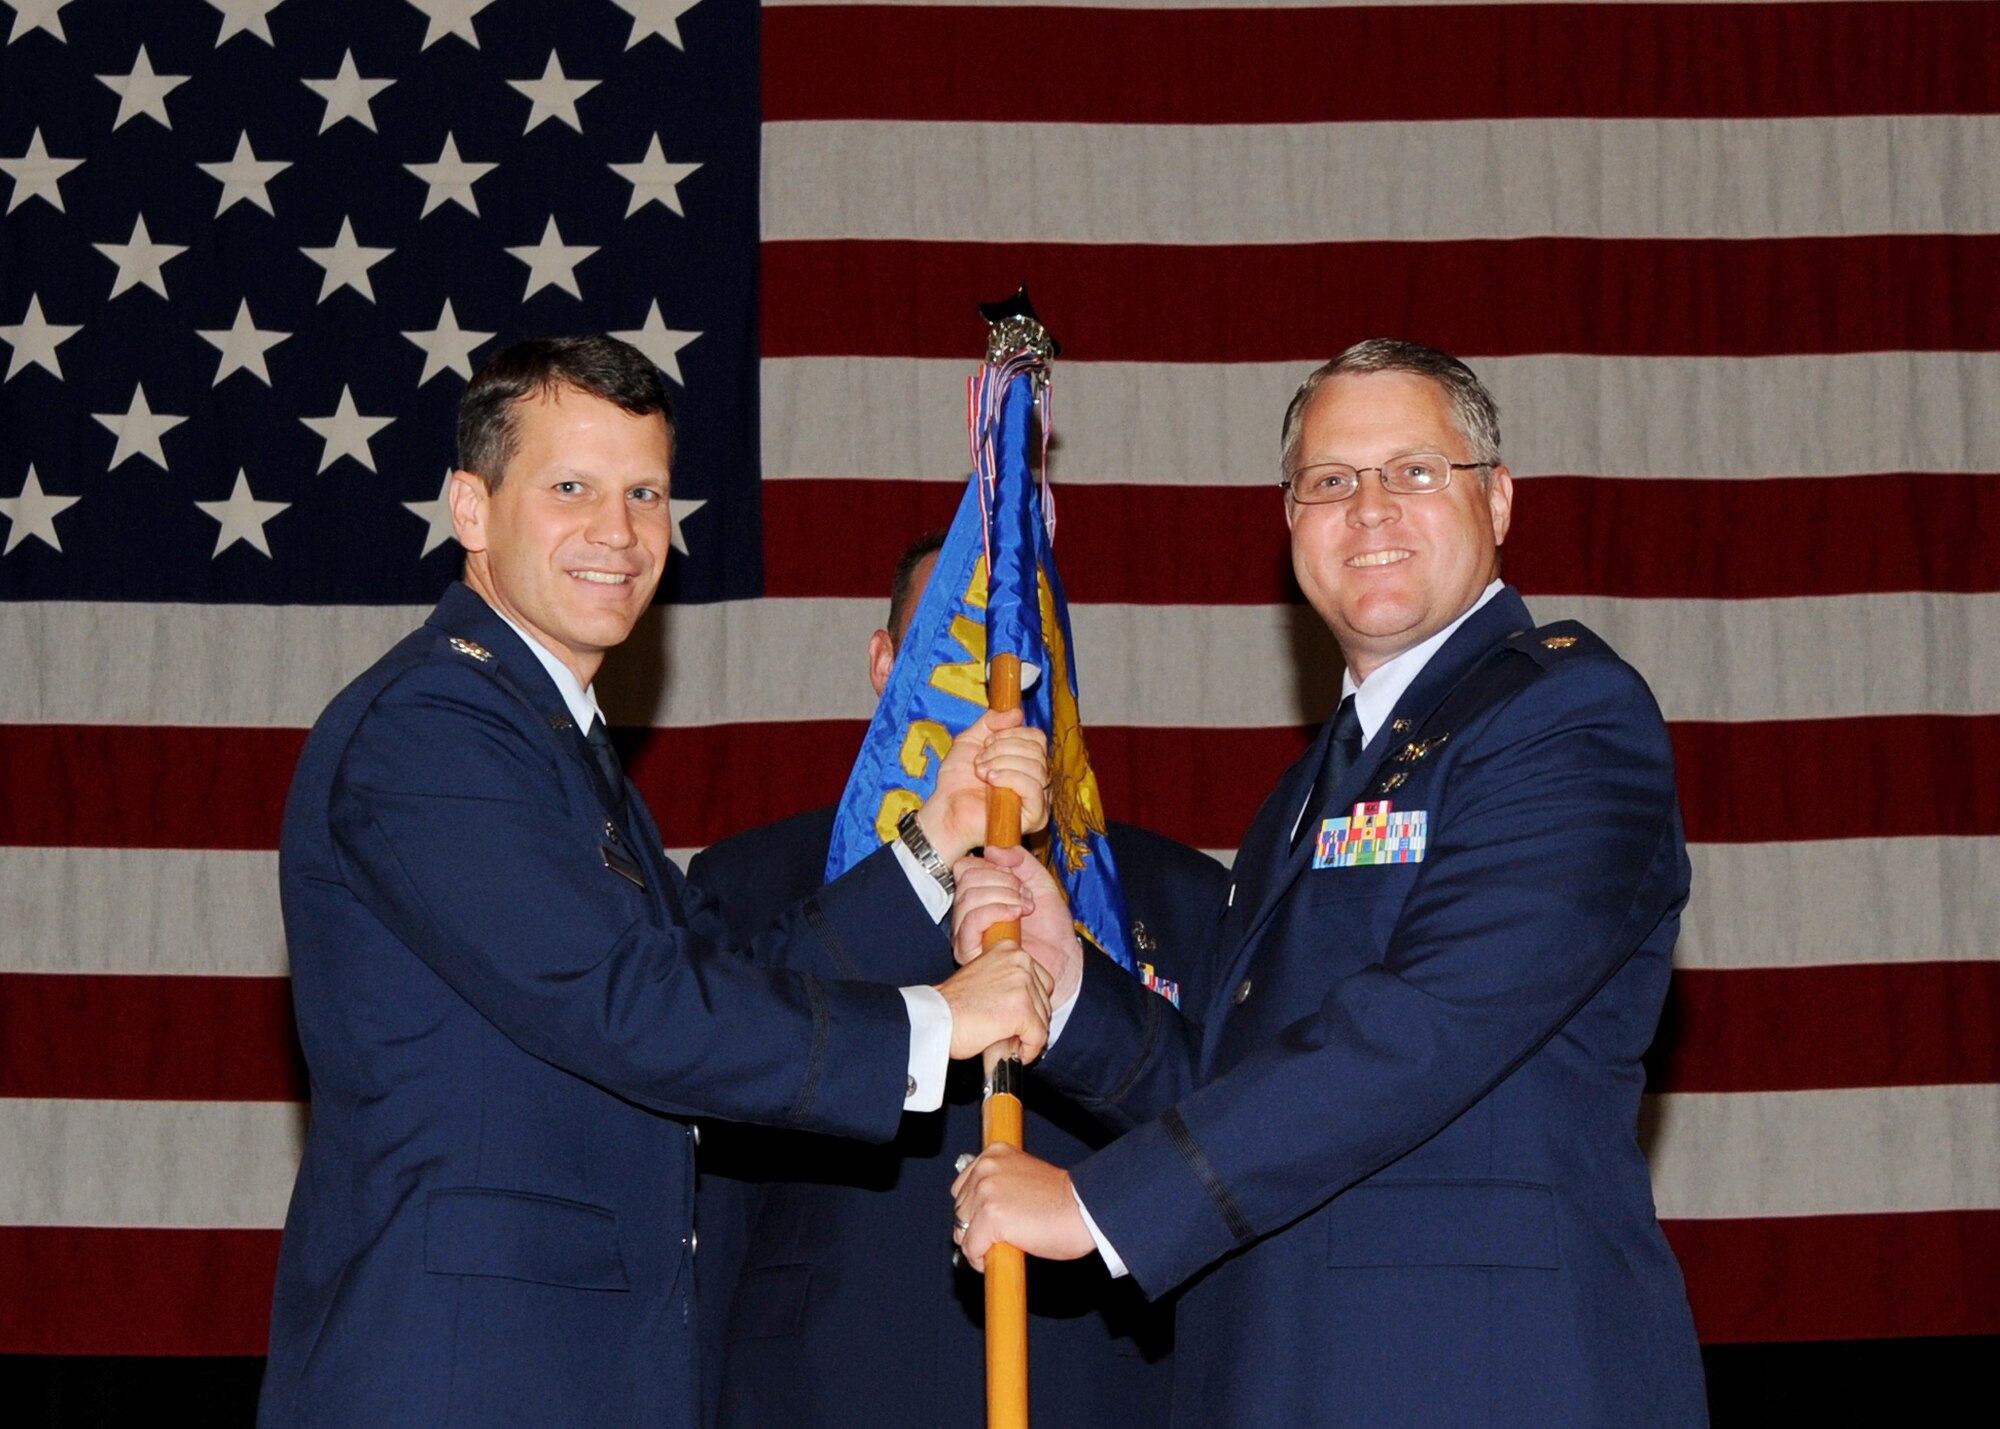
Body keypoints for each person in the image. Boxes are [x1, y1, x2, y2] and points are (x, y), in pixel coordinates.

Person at [259, 336, 1056, 1429]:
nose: (617, 532)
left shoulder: (556, 747)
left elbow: (717, 980)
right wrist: (933, 1023)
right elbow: (627, 1002)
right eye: (571, 488)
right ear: (470, 509)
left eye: (644, 493)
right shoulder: (431, 731)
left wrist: (933, 836)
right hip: (457, 1380)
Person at [951, 340, 1708, 1424]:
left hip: (1479, 1377)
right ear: (1290, 522)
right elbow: (1242, 1084)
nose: (1369, 509)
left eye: (1412, 471)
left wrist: (1102, 1206)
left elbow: (1421, 1030)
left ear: (1495, 500)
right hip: (1289, 1370)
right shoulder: (1307, 791)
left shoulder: (1566, 717)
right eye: (1330, 481)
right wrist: (1070, 992)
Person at [686, 531, 1228, 1428]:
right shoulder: (753, 881)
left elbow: (1220, 1159)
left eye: (1020, 655)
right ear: (885, 663)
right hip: (821, 1385)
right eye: (952, 652)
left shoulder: (1180, 897)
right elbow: (713, 1156)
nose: (991, 688)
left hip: (1094, 1387)